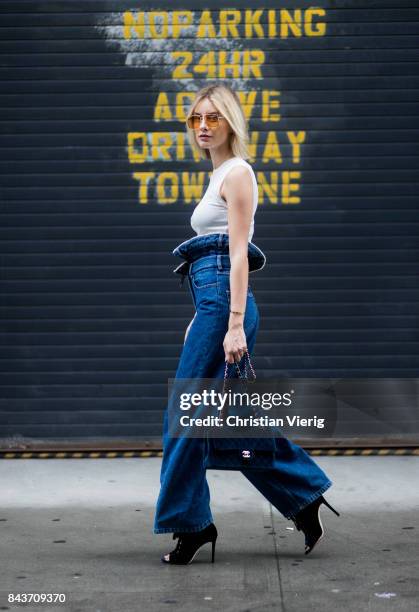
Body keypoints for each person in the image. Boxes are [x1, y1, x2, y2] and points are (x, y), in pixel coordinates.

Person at [153, 83, 339, 565]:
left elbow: (236, 255)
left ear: (231, 122)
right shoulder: (218, 175)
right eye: (196, 119)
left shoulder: (238, 174)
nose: (202, 127)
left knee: (184, 418)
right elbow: (212, 261)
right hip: (212, 306)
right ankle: (303, 498)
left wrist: (232, 323)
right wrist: (201, 318)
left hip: (225, 306)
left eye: (213, 118)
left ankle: (191, 526)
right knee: (225, 422)